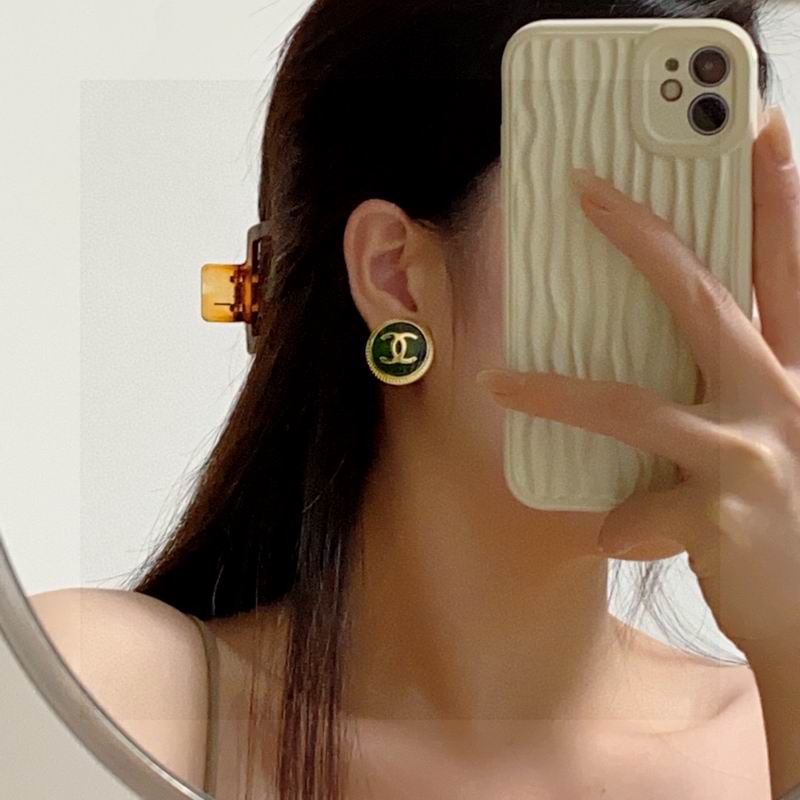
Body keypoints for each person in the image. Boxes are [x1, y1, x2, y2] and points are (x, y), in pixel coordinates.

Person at [29, 1, 800, 798]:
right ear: (396, 275)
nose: (701, 311)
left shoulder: (769, 731)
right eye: (617, 230)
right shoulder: (118, 696)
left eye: (713, 227)